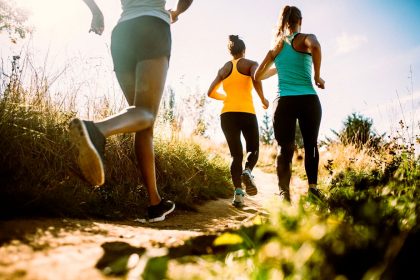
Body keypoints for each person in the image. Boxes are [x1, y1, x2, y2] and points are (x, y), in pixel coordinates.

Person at [69, 0, 193, 222]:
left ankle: (155, 203)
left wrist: (96, 12)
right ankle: (96, 130)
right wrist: (177, 12)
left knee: (142, 119)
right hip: (152, 27)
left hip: (123, 34)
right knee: (146, 112)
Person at [254, 5, 325, 202]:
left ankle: (284, 194)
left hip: (283, 101)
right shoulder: (305, 38)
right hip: (308, 99)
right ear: (299, 21)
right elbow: (316, 47)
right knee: (310, 145)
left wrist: (278, 68)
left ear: (284, 23)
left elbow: (257, 75)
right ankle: (313, 191)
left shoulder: (276, 47)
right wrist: (317, 76)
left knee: (284, 148)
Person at [207, 35, 269, 208]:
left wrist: (226, 97)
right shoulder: (250, 63)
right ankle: (248, 171)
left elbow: (210, 92)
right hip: (247, 112)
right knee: (253, 149)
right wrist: (263, 99)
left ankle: (239, 195)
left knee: (236, 155)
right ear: (243, 50)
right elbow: (256, 79)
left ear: (231, 52)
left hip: (227, 114)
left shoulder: (224, 68)